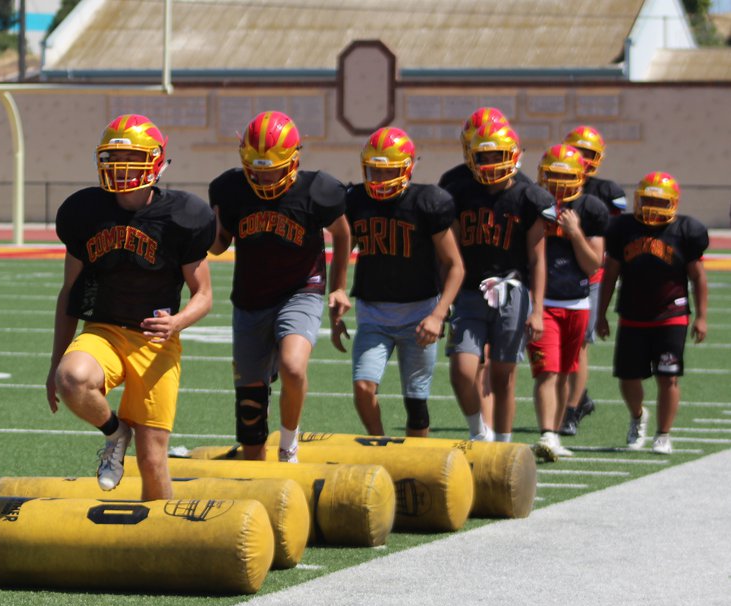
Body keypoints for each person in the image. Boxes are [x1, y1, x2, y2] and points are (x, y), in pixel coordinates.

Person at [46, 114, 215, 498]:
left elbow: (204, 295)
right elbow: (69, 291)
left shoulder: (181, 216)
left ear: (156, 161)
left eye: (134, 159)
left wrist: (178, 322)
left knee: (153, 461)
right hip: (104, 331)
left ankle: (163, 546)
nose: (122, 169)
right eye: (114, 159)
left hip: (155, 342)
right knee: (70, 378)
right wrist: (54, 362)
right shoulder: (85, 212)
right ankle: (115, 432)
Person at [208, 110, 351, 461]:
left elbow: (343, 233)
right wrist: (202, 228)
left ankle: (289, 444)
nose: (264, 175)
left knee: (293, 366)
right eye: (256, 167)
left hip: (300, 289)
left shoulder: (317, 190)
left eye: (272, 167)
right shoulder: (230, 189)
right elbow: (218, 245)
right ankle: (261, 455)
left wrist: (339, 286)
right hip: (250, 299)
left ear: (294, 160)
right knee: (251, 431)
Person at [340, 127, 464, 436]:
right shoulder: (356, 200)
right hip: (373, 311)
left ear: (407, 167)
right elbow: (343, 250)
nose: (380, 179)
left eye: (388, 171)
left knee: (416, 402)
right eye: (375, 170)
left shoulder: (427, 202)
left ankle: (415, 464)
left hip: (420, 311)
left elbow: (455, 266)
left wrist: (438, 315)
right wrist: (337, 291)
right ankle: (379, 444)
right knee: (363, 387)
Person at [444, 122, 550, 445]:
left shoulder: (529, 195)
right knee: (462, 369)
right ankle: (479, 432)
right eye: (483, 156)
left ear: (514, 155)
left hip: (511, 292)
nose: (490, 164)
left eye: (497, 156)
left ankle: (503, 444)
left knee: (503, 377)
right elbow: (452, 250)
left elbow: (537, 258)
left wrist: (538, 310)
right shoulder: (458, 187)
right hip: (469, 290)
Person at [596, 171, 708, 455]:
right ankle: (637, 417)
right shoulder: (623, 228)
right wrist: (601, 314)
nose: (652, 208)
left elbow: (698, 277)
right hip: (632, 313)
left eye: (660, 203)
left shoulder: (685, 231)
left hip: (671, 314)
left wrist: (702, 316)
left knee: (667, 376)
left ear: (673, 203)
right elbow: (610, 275)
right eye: (647, 201)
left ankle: (663, 433)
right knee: (628, 377)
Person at [528, 144, 607, 460]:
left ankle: (556, 433)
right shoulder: (534, 204)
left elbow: (593, 265)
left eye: (566, 177)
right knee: (547, 371)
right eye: (553, 176)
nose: (559, 185)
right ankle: (547, 433)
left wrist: (574, 233)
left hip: (577, 301)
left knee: (562, 372)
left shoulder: (591, 209)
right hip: (543, 301)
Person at [559, 125, 628, 436]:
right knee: (551, 349)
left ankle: (570, 410)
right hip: (554, 275)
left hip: (591, 277)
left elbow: (617, 237)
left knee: (578, 348)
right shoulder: (552, 185)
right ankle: (580, 397)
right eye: (579, 151)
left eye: (589, 153)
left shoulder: (606, 191)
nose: (583, 159)